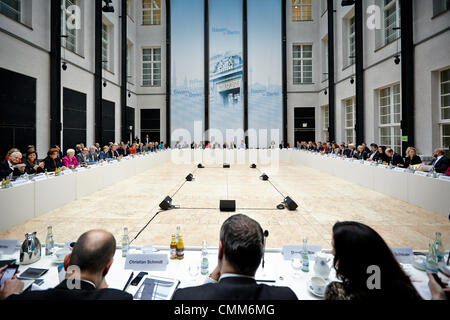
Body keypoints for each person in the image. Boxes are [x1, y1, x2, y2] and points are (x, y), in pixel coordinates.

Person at [172, 214, 298, 300]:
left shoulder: (183, 297)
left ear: (221, 251)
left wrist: (218, 268)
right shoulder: (287, 296)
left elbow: (205, 292)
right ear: (260, 255)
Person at [7, 229, 133, 300]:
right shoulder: (119, 298)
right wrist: (101, 282)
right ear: (107, 267)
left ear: (67, 261)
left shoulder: (25, 299)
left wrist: (9, 295)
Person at [325, 221, 422, 300]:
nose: (332, 253)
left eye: (335, 248)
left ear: (352, 259)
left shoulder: (338, 292)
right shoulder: (405, 288)